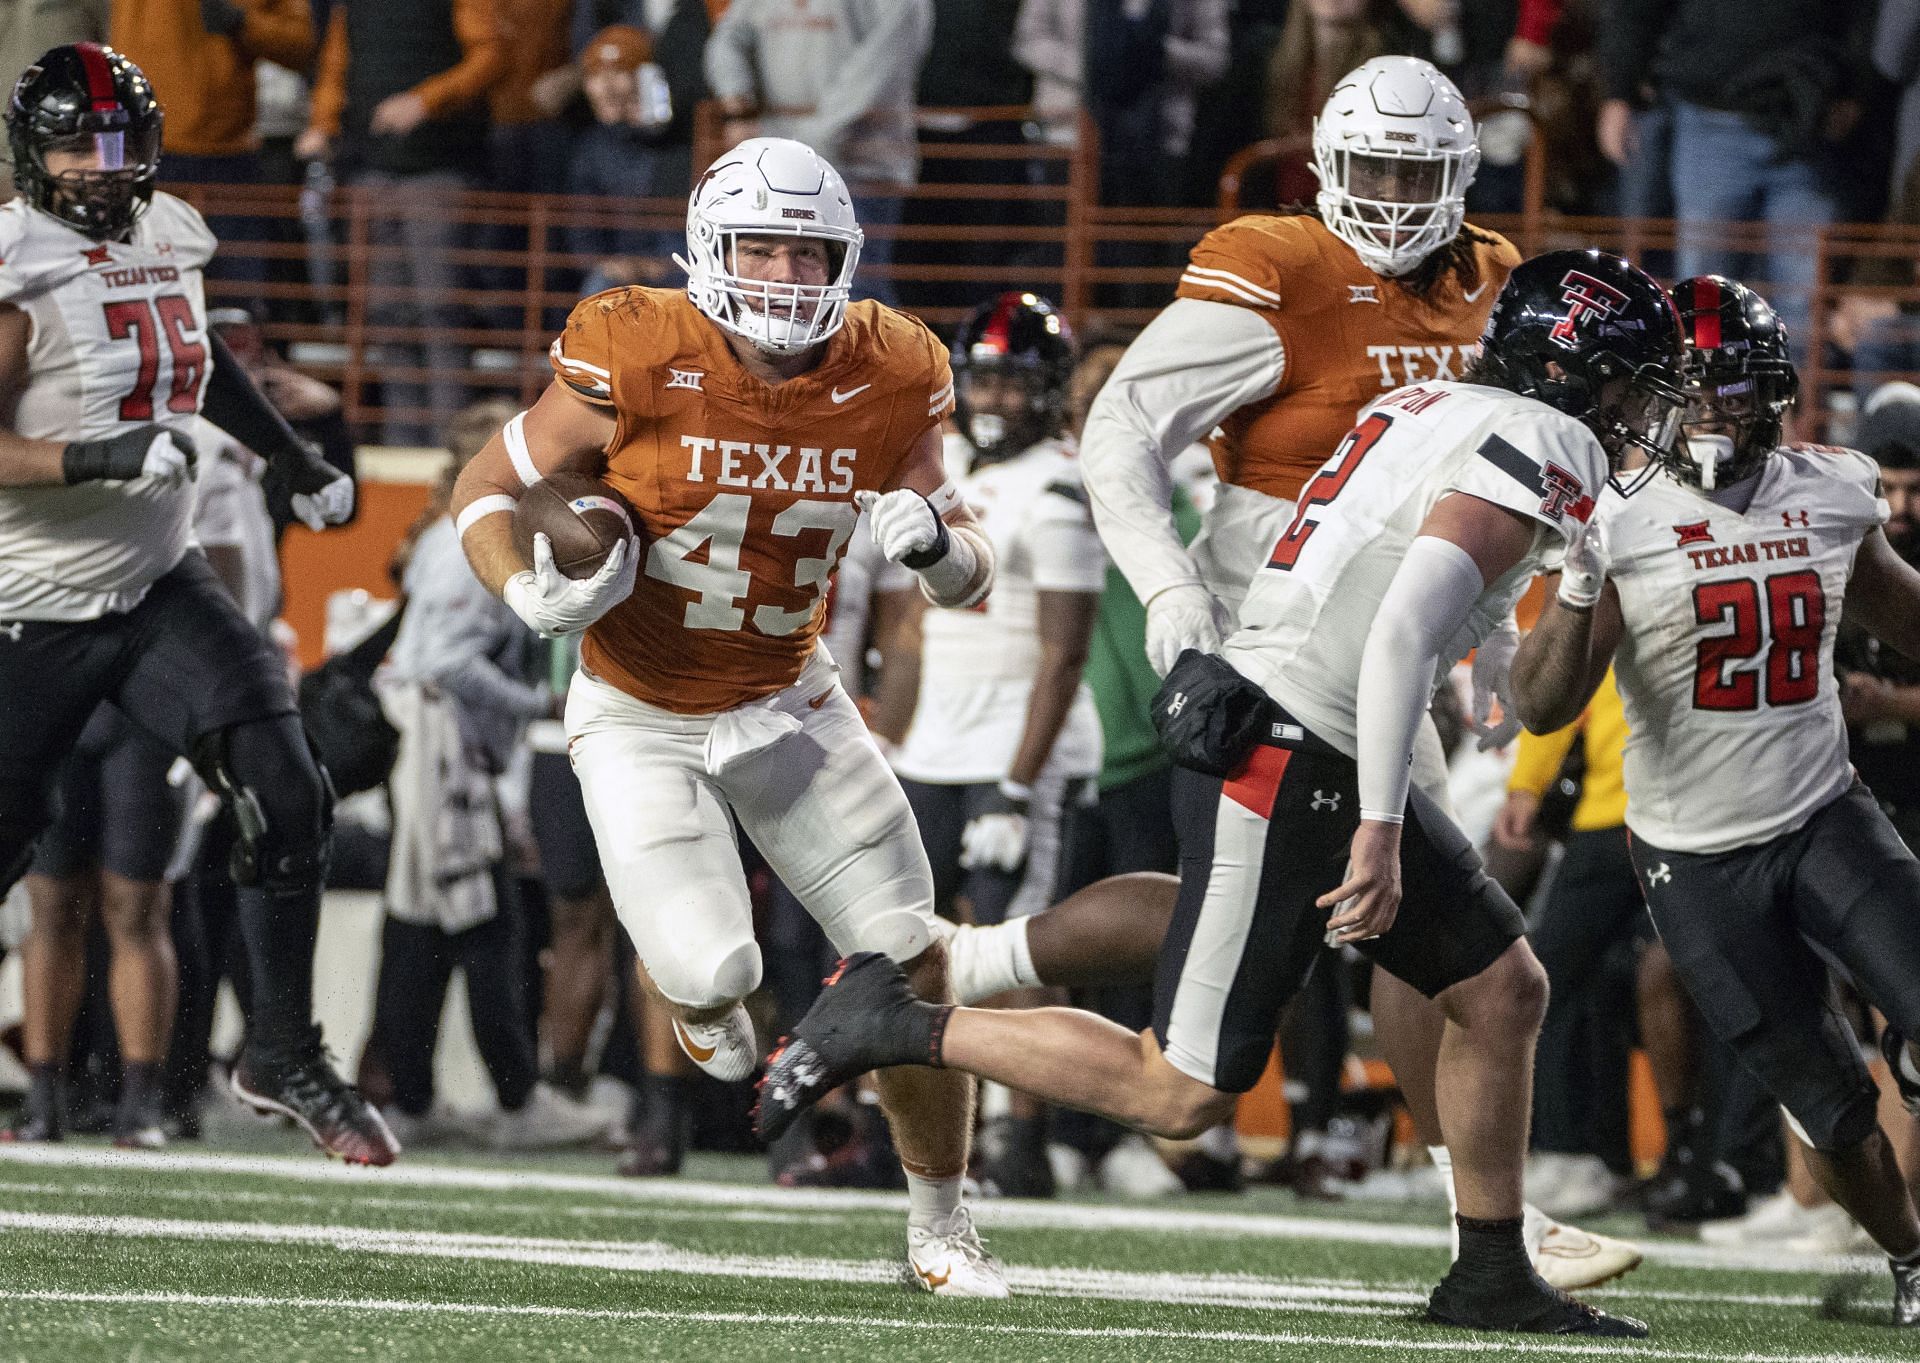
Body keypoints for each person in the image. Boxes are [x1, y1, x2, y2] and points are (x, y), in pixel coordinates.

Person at [759, 248, 1690, 1339]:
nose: (1640, 410)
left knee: (1501, 987)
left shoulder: (1427, 397)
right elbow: (1397, 633)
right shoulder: (1549, 435)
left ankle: (1490, 1264)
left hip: (1285, 717)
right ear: (1575, 368)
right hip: (1299, 750)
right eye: (1632, 380)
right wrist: (1385, 832)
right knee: (1182, 1091)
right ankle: (904, 1022)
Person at [941, 54, 1638, 1291]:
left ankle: (965, 968)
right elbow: (1121, 431)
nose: (1387, 195)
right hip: (1278, 630)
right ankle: (1487, 1223)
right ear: (1322, 161)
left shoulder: (1492, 278)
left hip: (1403, 632)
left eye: (1415, 172)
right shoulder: (1277, 261)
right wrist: (1172, 602)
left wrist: (1476, 631)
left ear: (1462, 178)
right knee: (1372, 920)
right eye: (1368, 167)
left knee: (1309, 905)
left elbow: (1479, 482)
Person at [450, 136, 1005, 1296]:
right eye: (763, 246)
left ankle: (943, 1225)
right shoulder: (635, 342)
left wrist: (943, 550)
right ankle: (702, 1002)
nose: (789, 275)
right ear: (710, 248)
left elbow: (978, 575)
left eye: (811, 252)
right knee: (714, 967)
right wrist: (527, 591)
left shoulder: (896, 366)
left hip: (790, 700)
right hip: (639, 710)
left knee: (911, 961)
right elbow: (486, 488)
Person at [1509, 274, 1920, 1328]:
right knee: (1832, 1110)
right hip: (1694, 860)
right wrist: (1580, 580)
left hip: (1826, 811)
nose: (1710, 416)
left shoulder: (1832, 489)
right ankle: (1913, 1259)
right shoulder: (1621, 520)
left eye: (1732, 393)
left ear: (1773, 394)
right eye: (1691, 395)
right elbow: (1543, 706)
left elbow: (1907, 614)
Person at [0, 43, 382, 1163]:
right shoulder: (18, 263)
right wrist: (99, 458)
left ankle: (281, 1051)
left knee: (289, 789)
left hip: (159, 580)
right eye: (76, 141)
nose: (99, 165)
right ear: (32, 151)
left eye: (117, 142)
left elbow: (197, 356)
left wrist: (290, 456)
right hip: (30, 605)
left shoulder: (171, 233)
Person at [874, 292, 1104, 1199]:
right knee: (910, 946)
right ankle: (921, 1135)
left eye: (1014, 378)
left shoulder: (1059, 484)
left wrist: (1017, 781)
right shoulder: (943, 470)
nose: (996, 396)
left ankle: (1021, 1136)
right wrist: (888, 739)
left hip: (1014, 751)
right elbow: (910, 633)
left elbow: (1065, 650)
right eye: (984, 377)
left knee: (1015, 952)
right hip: (931, 747)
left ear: (1047, 390)